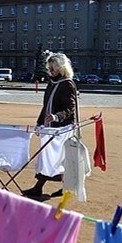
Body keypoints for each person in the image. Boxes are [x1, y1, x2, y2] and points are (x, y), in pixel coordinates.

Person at [22, 52, 78, 199]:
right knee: (48, 158)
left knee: (55, 158)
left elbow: (70, 108)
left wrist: (57, 116)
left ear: (61, 67)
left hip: (62, 128)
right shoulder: (52, 83)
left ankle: (40, 188)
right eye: (49, 67)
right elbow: (46, 106)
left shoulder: (67, 84)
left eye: (53, 67)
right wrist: (40, 123)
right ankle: (58, 187)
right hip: (50, 127)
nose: (50, 70)